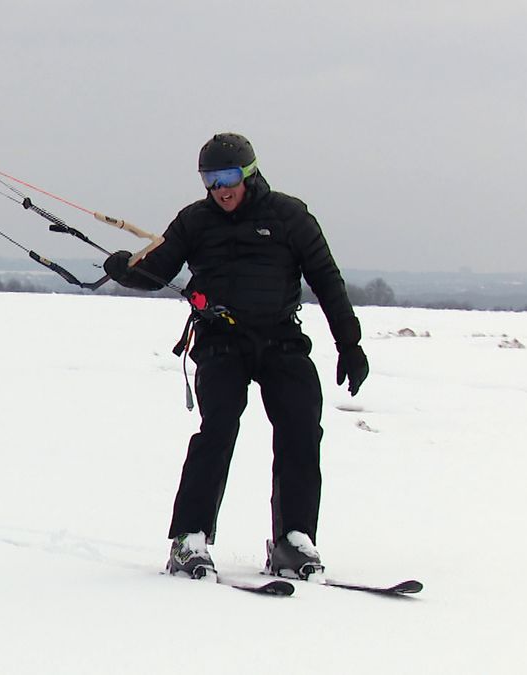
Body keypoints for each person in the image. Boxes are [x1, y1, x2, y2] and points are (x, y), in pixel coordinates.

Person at [103, 132, 368, 580]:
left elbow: (327, 279)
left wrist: (350, 344)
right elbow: (157, 271)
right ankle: (190, 539)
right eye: (210, 179)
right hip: (220, 341)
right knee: (218, 429)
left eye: (227, 177)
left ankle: (293, 540)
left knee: (301, 428)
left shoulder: (290, 216)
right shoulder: (194, 221)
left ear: (249, 172)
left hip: (281, 340)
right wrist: (124, 271)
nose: (219, 189)